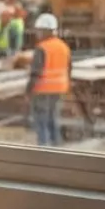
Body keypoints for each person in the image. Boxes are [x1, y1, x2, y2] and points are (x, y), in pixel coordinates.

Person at [25, 13, 71, 147]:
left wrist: (28, 91)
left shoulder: (42, 48)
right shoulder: (64, 47)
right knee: (54, 120)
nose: (37, 33)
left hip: (43, 90)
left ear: (45, 31)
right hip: (59, 89)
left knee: (41, 123)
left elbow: (36, 73)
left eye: (39, 30)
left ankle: (43, 152)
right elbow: (69, 69)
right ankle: (57, 150)